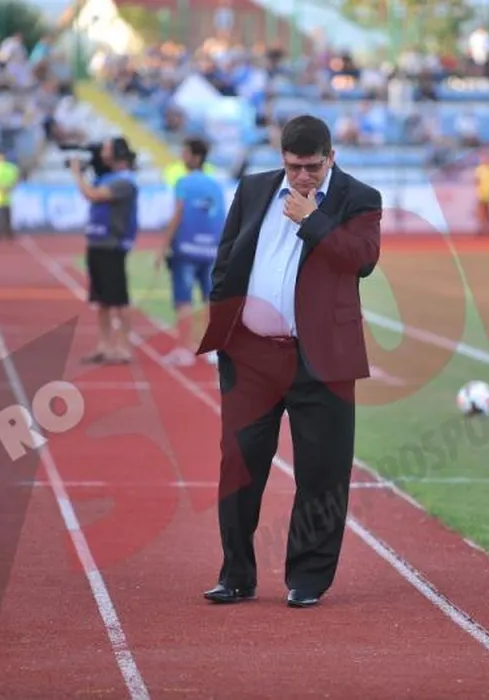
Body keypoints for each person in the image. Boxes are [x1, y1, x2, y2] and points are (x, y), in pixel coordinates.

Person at [195, 115, 382, 608]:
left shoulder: (359, 198)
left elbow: (362, 259)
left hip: (322, 359)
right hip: (251, 355)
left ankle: (307, 578)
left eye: (313, 167)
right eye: (295, 166)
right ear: (282, 158)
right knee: (239, 466)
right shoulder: (254, 189)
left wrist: (312, 219)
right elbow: (227, 257)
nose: (303, 176)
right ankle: (236, 574)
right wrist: (225, 324)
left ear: (331, 158)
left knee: (322, 473)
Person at [157, 137, 224, 367]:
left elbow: (178, 214)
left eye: (185, 153)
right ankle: (211, 348)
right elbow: (219, 217)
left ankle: (183, 350)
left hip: (185, 249)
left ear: (195, 156)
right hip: (211, 250)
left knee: (183, 299)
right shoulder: (215, 185)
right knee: (209, 299)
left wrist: (163, 246)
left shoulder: (183, 183)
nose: (182, 157)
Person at [72, 136, 139, 365]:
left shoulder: (124, 181)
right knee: (102, 300)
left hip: (112, 244)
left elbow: (92, 194)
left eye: (107, 150)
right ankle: (104, 345)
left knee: (118, 299)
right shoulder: (109, 178)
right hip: (98, 242)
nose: (103, 154)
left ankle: (123, 347)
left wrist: (77, 173)